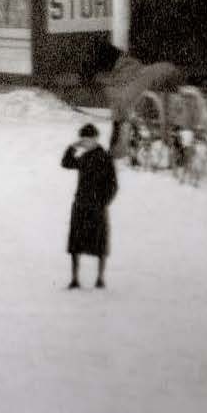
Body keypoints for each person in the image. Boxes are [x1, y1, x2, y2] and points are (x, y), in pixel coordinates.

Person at [62, 123, 118, 289]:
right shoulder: (85, 157)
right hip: (80, 204)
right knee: (75, 245)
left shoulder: (105, 158)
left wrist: (103, 202)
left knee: (99, 244)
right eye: (82, 140)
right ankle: (74, 279)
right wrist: (72, 147)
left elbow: (113, 185)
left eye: (87, 139)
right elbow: (66, 163)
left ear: (95, 139)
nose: (84, 143)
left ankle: (100, 278)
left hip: (97, 206)